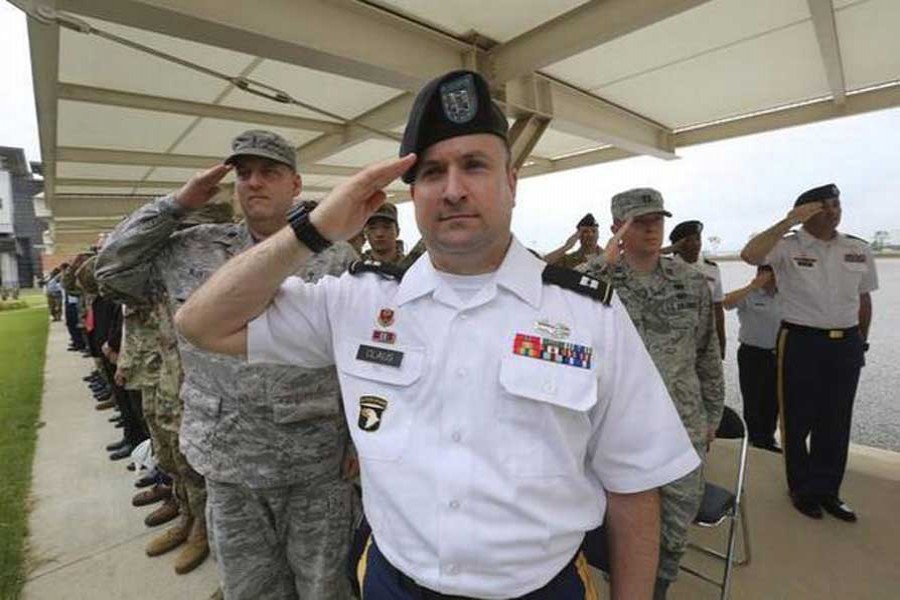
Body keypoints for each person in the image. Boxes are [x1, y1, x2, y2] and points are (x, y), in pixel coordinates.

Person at [175, 69, 700, 600]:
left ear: (511, 183)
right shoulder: (357, 301)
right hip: (393, 582)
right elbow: (200, 324)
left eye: (474, 165)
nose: (452, 190)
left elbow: (634, 488)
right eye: (431, 172)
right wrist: (314, 229)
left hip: (539, 587)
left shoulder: (590, 314)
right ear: (413, 193)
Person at [96, 129, 358, 599]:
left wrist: (360, 439)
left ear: (295, 185)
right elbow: (110, 270)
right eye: (244, 173)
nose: (254, 182)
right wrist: (175, 204)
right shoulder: (192, 247)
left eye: (269, 173)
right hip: (229, 461)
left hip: (315, 464)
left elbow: (356, 358)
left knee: (325, 588)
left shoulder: (336, 256)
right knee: (249, 589)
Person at [582, 188, 724, 599]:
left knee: (673, 534)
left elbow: (707, 355)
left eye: (656, 221)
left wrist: (711, 417)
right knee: (610, 531)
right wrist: (602, 261)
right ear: (617, 229)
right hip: (616, 429)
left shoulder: (691, 282)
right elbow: (561, 301)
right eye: (638, 222)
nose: (650, 229)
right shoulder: (597, 283)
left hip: (681, 428)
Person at [741, 183, 877, 522]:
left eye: (837, 204)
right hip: (801, 341)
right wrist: (788, 222)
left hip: (846, 342)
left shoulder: (857, 248)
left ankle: (829, 490)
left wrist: (861, 341)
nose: (834, 210)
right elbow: (750, 255)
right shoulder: (786, 247)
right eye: (825, 206)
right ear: (808, 212)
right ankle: (802, 489)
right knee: (797, 418)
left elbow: (863, 299)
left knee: (836, 419)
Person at [724, 265, 782, 452]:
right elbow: (726, 302)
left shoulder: (787, 296)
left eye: (770, 274)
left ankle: (768, 437)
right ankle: (756, 439)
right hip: (752, 354)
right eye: (762, 273)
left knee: (774, 399)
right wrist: (752, 286)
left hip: (779, 355)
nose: (766, 278)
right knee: (753, 398)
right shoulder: (749, 295)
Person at [667, 220, 726, 358]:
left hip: (706, 342)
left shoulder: (711, 269)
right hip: (675, 343)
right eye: (688, 240)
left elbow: (718, 308)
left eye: (698, 239)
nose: (695, 244)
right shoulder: (666, 268)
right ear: (677, 244)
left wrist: (721, 342)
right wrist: (668, 250)